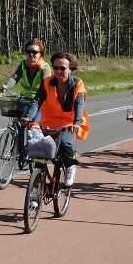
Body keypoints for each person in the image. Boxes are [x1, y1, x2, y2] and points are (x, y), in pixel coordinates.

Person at [22, 52, 90, 187]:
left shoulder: (77, 84)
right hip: (49, 122)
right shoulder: (47, 82)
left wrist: (76, 122)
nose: (58, 71)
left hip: (70, 123)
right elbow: (37, 101)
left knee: (64, 143)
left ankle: (70, 167)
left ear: (70, 68)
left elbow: (79, 104)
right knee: (39, 151)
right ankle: (36, 190)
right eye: (56, 67)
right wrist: (28, 117)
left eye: (62, 68)